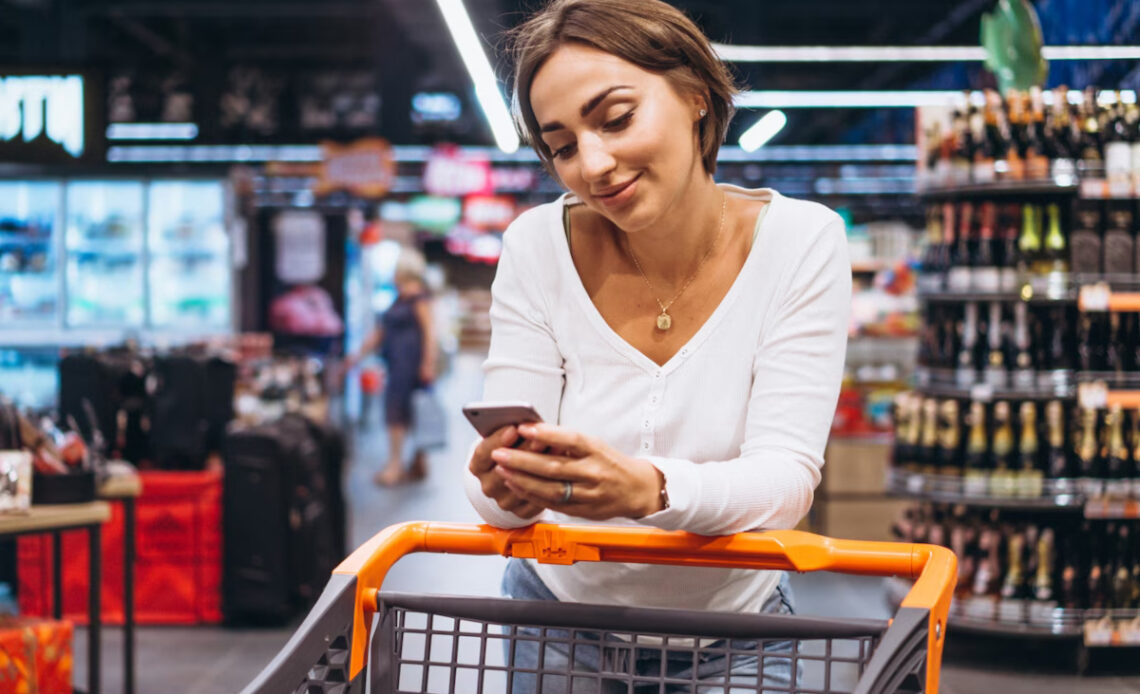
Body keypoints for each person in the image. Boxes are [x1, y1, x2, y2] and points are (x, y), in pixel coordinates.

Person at [463, 0, 851, 690]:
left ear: (696, 94)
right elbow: (495, 486)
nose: (595, 163)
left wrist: (648, 488)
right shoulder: (536, 246)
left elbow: (786, 479)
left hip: (738, 636)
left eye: (615, 118)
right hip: (558, 621)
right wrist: (504, 486)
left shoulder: (801, 241)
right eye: (561, 145)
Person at [347, 249, 438, 486]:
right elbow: (380, 333)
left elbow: (430, 333)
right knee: (403, 412)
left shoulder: (419, 300)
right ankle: (412, 463)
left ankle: (397, 465)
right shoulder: (399, 299)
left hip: (411, 365)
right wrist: (358, 354)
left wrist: (428, 364)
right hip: (398, 364)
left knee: (407, 413)